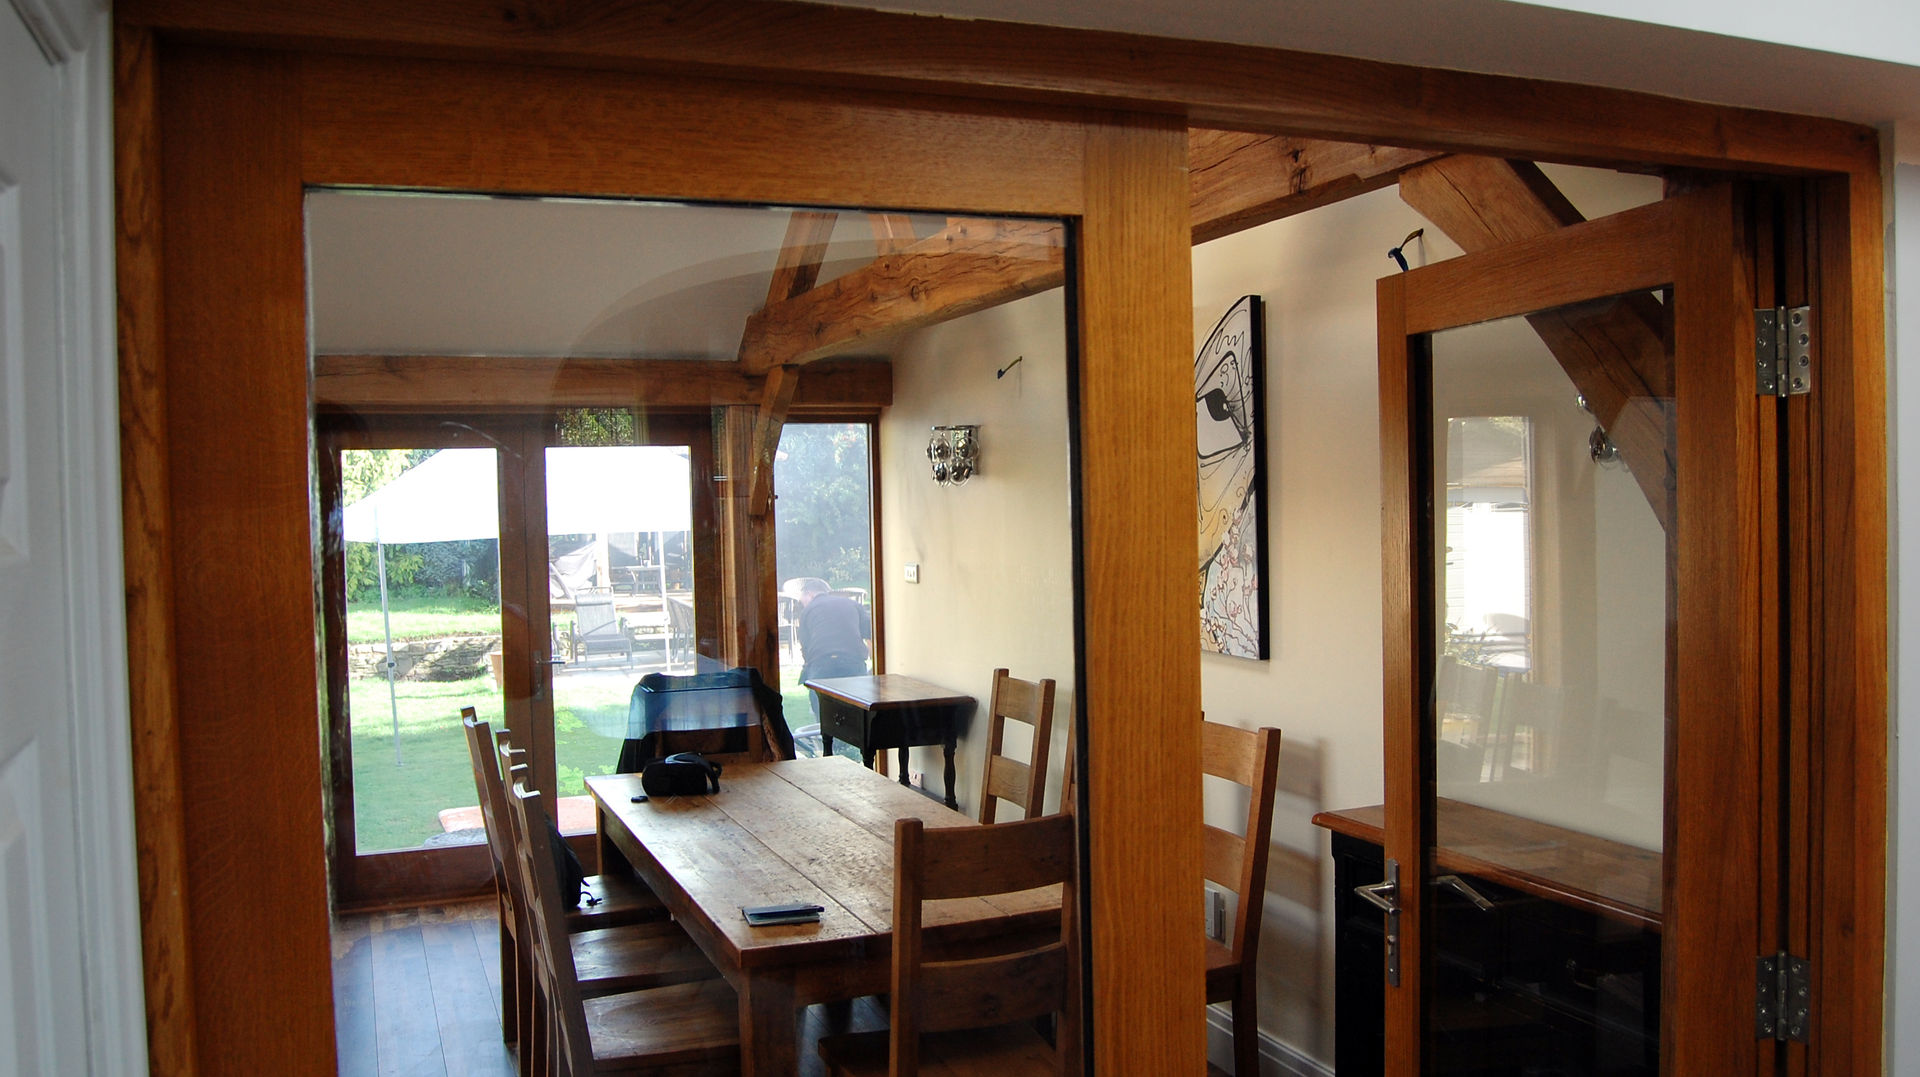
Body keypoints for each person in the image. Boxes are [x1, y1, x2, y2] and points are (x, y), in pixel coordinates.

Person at [791, 577, 872, 716]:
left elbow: (805, 646)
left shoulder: (808, 610)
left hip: (822, 663)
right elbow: (870, 634)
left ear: (809, 594)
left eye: (801, 600)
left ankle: (826, 735)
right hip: (853, 662)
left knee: (823, 713)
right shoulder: (852, 604)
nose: (802, 604)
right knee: (857, 710)